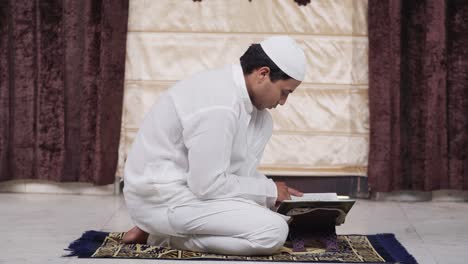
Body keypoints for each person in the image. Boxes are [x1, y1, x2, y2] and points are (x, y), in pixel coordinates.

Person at [122, 36, 306, 255]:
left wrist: (274, 195)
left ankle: (160, 228)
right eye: (284, 92)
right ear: (263, 74)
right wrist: (267, 191)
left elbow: (235, 172)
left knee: (283, 217)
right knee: (272, 232)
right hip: (162, 197)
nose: (284, 102)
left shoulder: (258, 116)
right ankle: (160, 235)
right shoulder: (220, 104)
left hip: (193, 192)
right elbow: (208, 185)